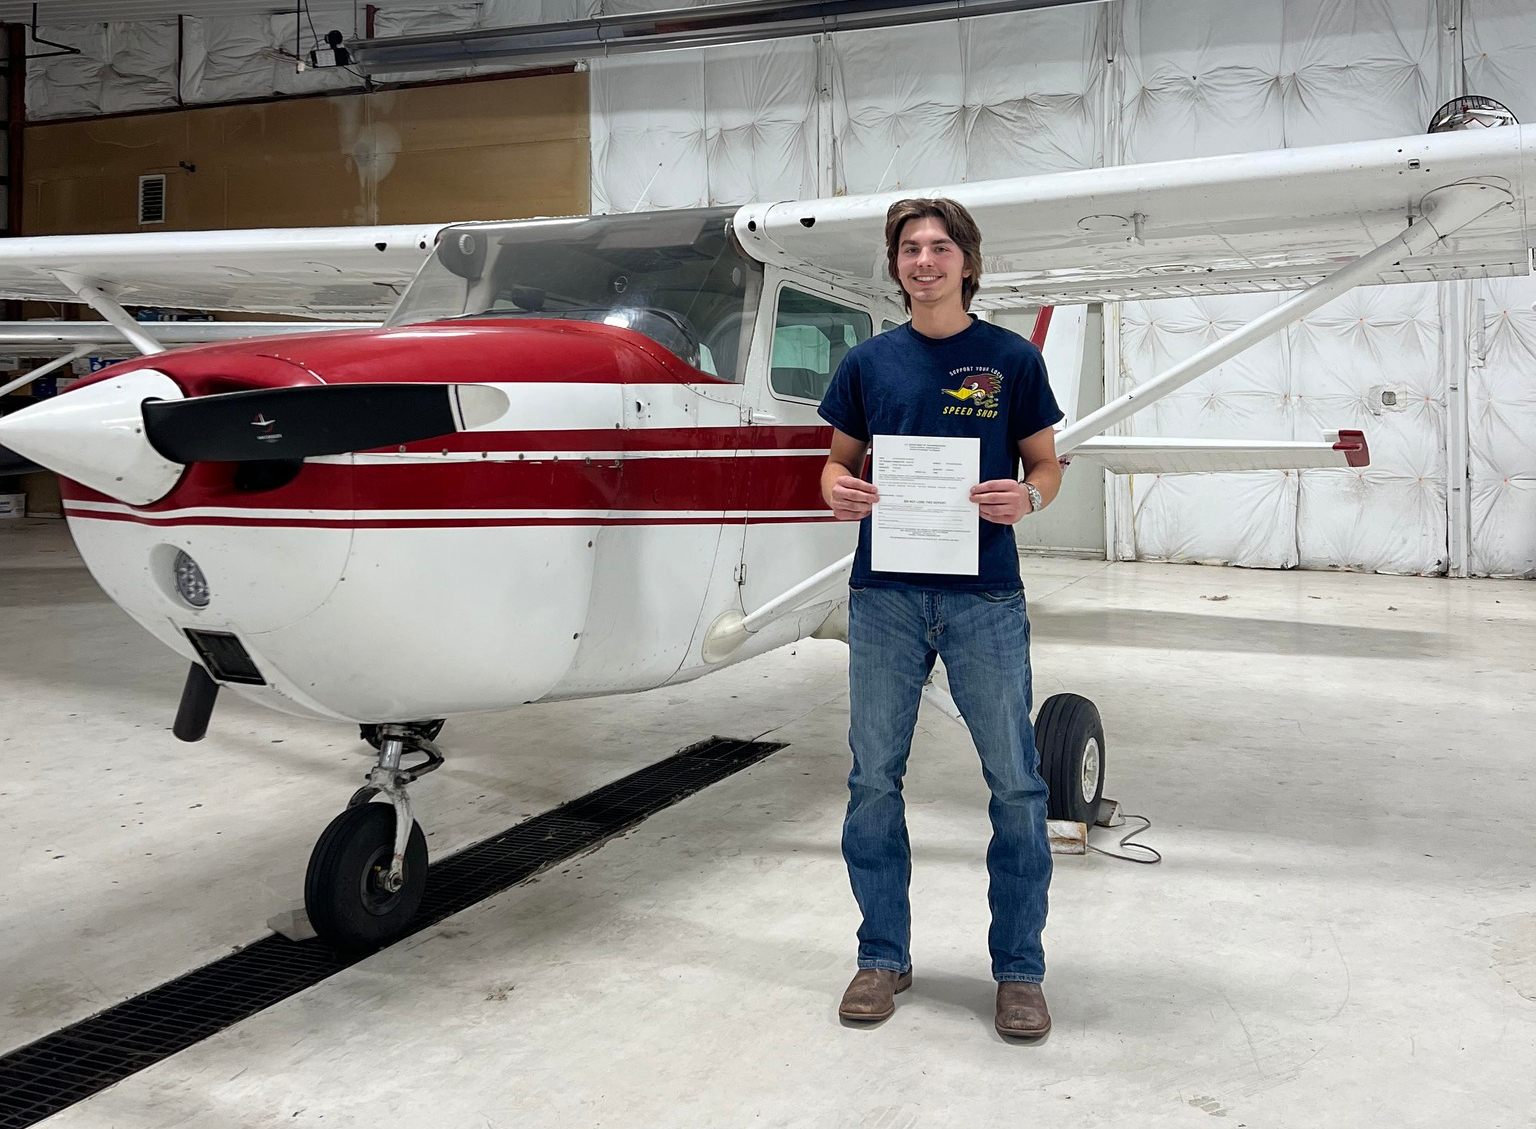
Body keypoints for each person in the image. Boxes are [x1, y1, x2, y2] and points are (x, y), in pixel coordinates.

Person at [817, 197, 1064, 1039]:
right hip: (883, 595)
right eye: (910, 248)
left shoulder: (1009, 360)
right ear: (895, 265)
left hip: (983, 595)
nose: (925, 260)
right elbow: (836, 465)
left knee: (1017, 784)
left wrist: (1028, 495)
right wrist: (838, 491)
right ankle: (882, 955)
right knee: (872, 782)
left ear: (967, 260)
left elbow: (1045, 464)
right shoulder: (867, 363)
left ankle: (1020, 971)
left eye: (940, 246)